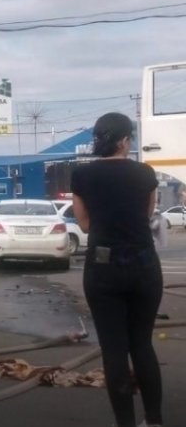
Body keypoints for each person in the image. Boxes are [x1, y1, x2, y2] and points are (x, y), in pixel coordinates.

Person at [71, 112, 163, 427]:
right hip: (144, 266)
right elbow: (147, 213)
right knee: (142, 344)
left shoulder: (82, 175)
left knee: (114, 349)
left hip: (103, 269)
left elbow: (84, 223)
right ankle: (153, 420)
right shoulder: (145, 173)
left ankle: (124, 422)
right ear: (125, 140)